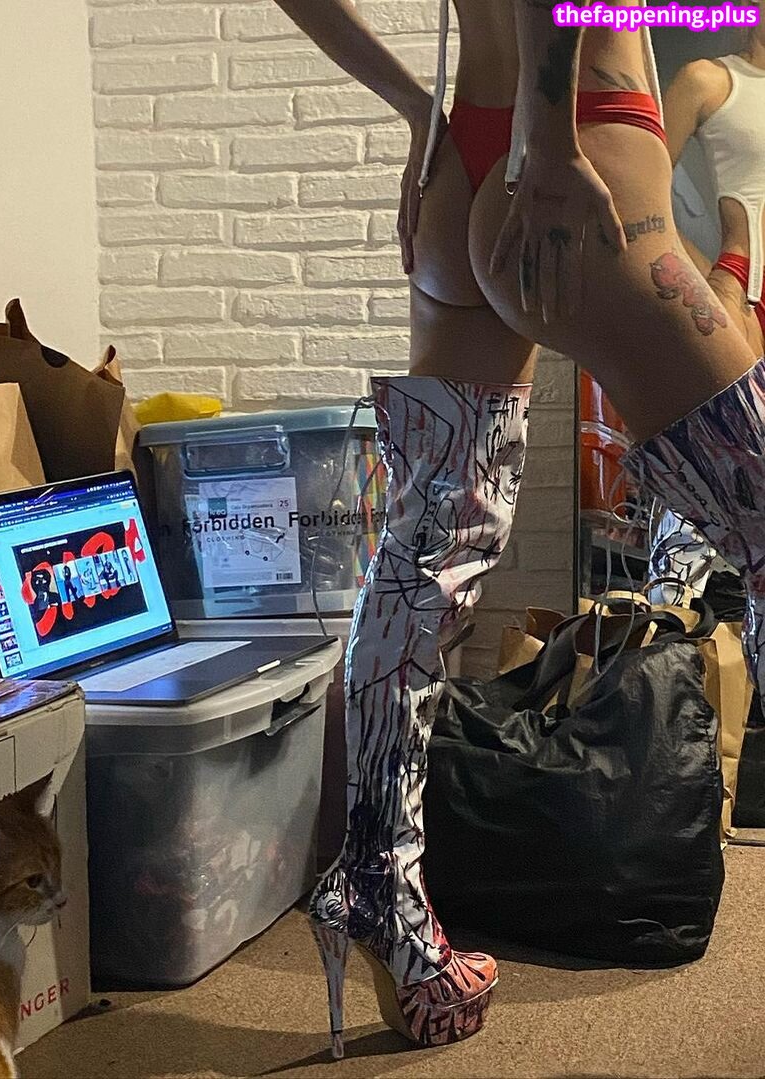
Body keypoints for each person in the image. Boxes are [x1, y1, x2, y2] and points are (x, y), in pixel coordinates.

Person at [272, 0, 763, 1060]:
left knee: (420, 567)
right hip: (583, 147)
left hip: (465, 162)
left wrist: (418, 111)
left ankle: (380, 890)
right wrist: (545, 138)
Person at [643, 10, 765, 601]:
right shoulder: (709, 79)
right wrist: (700, 277)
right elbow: (641, 191)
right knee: (719, 459)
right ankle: (668, 625)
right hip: (745, 289)